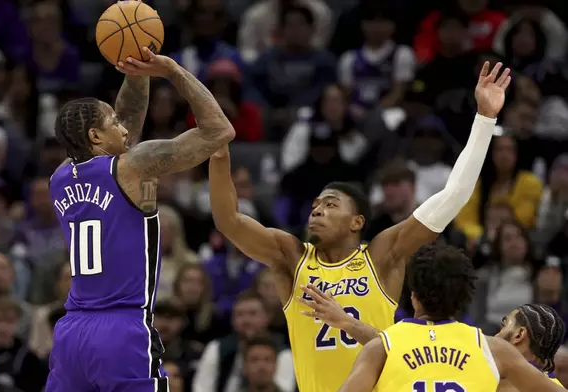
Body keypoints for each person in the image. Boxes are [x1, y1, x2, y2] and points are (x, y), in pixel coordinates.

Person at [209, 62, 510, 392]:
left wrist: (484, 118)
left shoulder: (381, 257)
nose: (318, 211)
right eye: (315, 206)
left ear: (357, 222)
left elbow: (453, 197)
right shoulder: (292, 258)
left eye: (331, 204)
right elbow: (229, 220)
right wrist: (219, 154)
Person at [45, 46, 235, 392]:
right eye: (112, 123)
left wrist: (137, 72)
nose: (124, 128)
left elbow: (127, 121)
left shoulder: (58, 178)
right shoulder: (133, 167)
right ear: (95, 137)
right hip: (122, 329)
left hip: (71, 333)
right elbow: (219, 131)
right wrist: (174, 71)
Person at [336, 244, 565, 392]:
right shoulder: (491, 349)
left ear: (414, 297)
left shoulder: (383, 346)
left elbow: (392, 345)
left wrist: (347, 323)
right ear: (463, 299)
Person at [496, 304, 565, 390]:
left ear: (519, 335)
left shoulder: (499, 381)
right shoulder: (555, 385)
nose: (496, 335)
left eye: (504, 325)